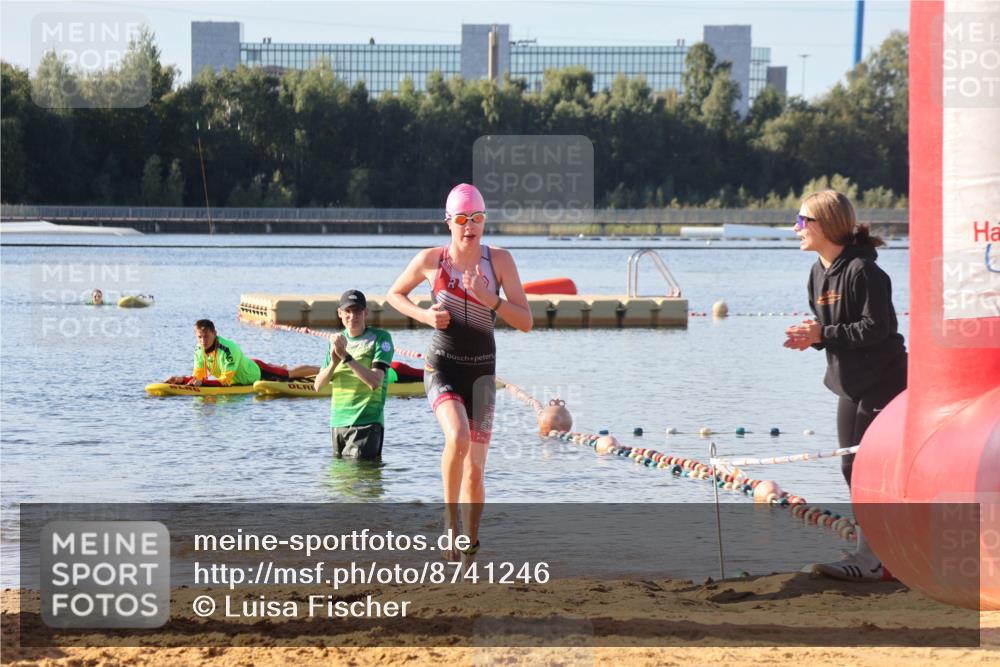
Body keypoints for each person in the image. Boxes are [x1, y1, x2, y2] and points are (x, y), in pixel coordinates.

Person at [387, 183, 532, 563]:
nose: (471, 227)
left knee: (476, 472)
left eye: (478, 219)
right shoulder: (431, 260)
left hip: (482, 376)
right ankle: (449, 522)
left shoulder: (499, 261)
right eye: (463, 220)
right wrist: (424, 315)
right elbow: (394, 295)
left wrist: (491, 299)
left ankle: (469, 543)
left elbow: (526, 321)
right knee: (459, 436)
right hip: (442, 367)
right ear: (449, 222)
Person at [783, 190, 907, 582]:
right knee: (849, 467)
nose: (796, 228)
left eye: (803, 221)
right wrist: (814, 337)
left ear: (826, 225)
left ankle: (875, 559)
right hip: (848, 383)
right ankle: (876, 553)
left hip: (884, 381)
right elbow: (835, 330)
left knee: (865, 466)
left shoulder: (864, 271)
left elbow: (878, 328)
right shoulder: (818, 271)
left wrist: (825, 332)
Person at [313, 290, 395, 460]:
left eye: (357, 310)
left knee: (362, 481)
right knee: (339, 483)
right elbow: (318, 385)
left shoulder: (380, 338)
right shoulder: (336, 342)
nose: (352, 316)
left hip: (367, 423)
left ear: (366, 312)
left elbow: (375, 381)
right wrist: (334, 362)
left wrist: (346, 357)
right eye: (347, 311)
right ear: (340, 313)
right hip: (337, 423)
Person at [164, 319, 318, 386]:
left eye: (206, 337)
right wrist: (181, 380)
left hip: (255, 373)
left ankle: (323, 369)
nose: (203, 341)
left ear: (214, 333)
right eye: (199, 337)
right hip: (244, 367)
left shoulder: (228, 349)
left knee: (288, 375)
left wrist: (201, 382)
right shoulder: (198, 350)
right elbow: (199, 377)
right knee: (280, 370)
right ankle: (277, 366)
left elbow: (225, 382)